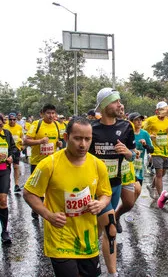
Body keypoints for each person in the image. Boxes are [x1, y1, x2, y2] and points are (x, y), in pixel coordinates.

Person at [23, 117, 112, 277]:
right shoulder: (49, 164)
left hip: (88, 240)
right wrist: (48, 215)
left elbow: (105, 193)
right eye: (77, 138)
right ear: (66, 137)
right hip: (60, 240)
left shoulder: (98, 165)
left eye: (87, 139)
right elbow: (29, 193)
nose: (83, 144)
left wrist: (100, 204)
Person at [89, 87, 136, 277]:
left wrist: (128, 153)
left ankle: (104, 268)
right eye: (116, 101)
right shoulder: (91, 129)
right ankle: (111, 272)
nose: (120, 104)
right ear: (106, 105)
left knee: (104, 229)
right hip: (95, 188)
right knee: (109, 229)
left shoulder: (126, 127)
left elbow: (132, 156)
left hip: (115, 185)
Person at [24, 103, 62, 219]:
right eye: (48, 113)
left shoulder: (56, 125)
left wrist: (58, 143)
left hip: (52, 163)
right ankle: (36, 208)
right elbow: (26, 141)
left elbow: (57, 141)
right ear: (42, 114)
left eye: (52, 113)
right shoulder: (37, 124)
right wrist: (40, 141)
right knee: (37, 190)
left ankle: (49, 209)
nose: (51, 115)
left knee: (52, 187)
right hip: (38, 163)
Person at [143, 101, 168, 199]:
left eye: (165, 110)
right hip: (156, 151)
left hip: (167, 151)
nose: (164, 112)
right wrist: (150, 136)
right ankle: (161, 197)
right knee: (159, 174)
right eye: (162, 110)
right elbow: (143, 132)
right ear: (156, 111)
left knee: (163, 173)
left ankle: (151, 186)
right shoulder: (150, 120)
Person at [0, 114, 17, 243]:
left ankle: (4, 231)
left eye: (1, 123)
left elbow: (13, 148)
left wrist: (11, 156)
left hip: (3, 170)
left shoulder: (6, 133)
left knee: (3, 200)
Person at [5, 113, 24, 192]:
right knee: (7, 168)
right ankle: (7, 185)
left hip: (16, 149)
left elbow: (22, 137)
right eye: (10, 120)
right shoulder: (5, 127)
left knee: (16, 167)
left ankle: (16, 184)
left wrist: (23, 144)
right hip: (7, 150)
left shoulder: (19, 127)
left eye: (14, 120)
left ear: (16, 120)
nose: (12, 121)